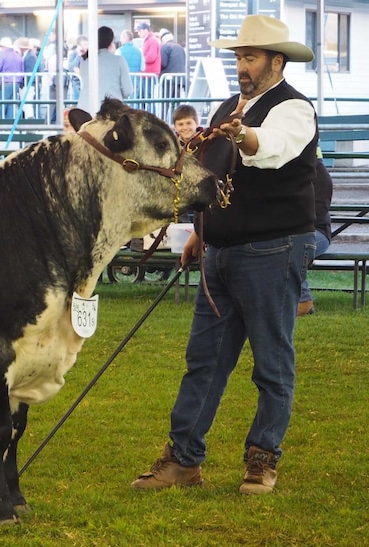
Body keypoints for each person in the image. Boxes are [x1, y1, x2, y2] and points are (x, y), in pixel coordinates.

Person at [131, 15, 318, 495]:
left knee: (271, 363)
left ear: (277, 61)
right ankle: (184, 459)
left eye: (250, 57)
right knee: (204, 360)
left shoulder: (295, 109)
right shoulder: (223, 110)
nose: (242, 65)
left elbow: (268, 148)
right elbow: (213, 181)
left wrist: (242, 135)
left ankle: (262, 458)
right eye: (239, 57)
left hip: (275, 250)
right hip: (223, 251)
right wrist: (200, 231)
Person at [298, 154, 333, 316]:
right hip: (295, 230)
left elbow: (318, 212)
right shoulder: (292, 172)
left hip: (318, 232)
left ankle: (303, 300)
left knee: (294, 247)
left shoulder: (321, 177)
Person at [75, 27, 133, 112]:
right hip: (110, 111)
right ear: (111, 42)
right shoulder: (118, 60)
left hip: (84, 108)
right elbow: (128, 90)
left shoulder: (85, 60)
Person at [0, 37, 24, 119]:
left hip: (5, 83)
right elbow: (22, 70)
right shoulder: (18, 56)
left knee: (0, 106)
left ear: (4, 47)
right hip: (16, 83)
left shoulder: (3, 56)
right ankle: (10, 125)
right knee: (12, 106)